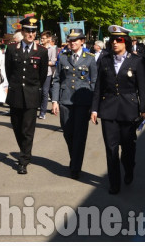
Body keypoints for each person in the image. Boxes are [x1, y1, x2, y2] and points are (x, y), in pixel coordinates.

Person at [91, 25, 145, 195]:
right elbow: (98, 87)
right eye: (113, 40)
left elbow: (143, 88)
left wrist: (144, 109)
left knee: (128, 148)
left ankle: (129, 168)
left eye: (119, 40)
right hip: (108, 109)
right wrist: (94, 109)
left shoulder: (136, 61)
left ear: (126, 42)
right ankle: (114, 183)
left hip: (129, 110)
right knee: (111, 149)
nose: (115, 43)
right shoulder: (104, 60)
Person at [50, 28, 97, 180]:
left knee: (79, 135)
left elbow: (94, 82)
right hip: (65, 101)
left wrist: (94, 106)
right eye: (70, 40)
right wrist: (55, 101)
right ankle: (74, 158)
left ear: (82, 41)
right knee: (68, 133)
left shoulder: (90, 58)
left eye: (75, 40)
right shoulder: (63, 57)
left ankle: (75, 166)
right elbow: (57, 80)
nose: (71, 43)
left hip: (83, 102)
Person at [4, 16, 48, 175]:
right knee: (16, 126)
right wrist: (15, 86)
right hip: (16, 93)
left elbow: (42, 76)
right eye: (28, 31)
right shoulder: (11, 49)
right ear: (22, 31)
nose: (31, 34)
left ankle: (24, 160)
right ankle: (23, 149)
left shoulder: (42, 52)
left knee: (28, 129)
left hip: (31, 95)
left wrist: (33, 89)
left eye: (33, 31)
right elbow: (9, 71)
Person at [38, 31, 57, 119]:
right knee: (38, 91)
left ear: (49, 39)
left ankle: (43, 112)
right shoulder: (38, 48)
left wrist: (43, 63)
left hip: (48, 73)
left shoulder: (52, 49)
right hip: (38, 72)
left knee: (45, 92)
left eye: (44, 38)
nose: (42, 40)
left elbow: (53, 62)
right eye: (41, 38)